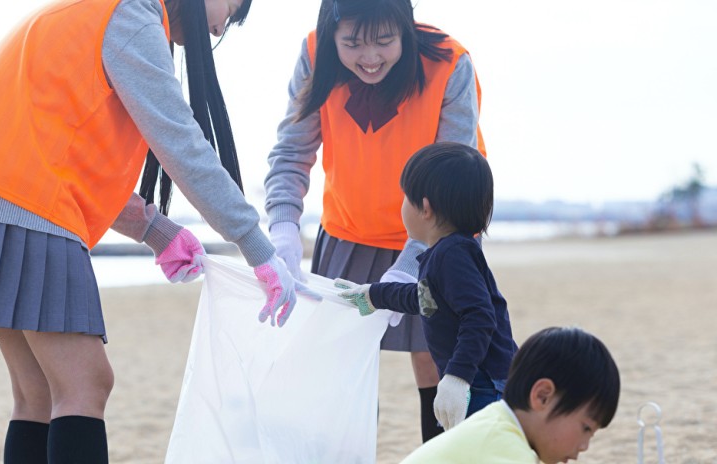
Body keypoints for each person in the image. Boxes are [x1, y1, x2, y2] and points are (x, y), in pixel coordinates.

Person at [0, 0, 301, 462]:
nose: (225, 22)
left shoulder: (98, 9)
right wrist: (258, 248)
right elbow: (180, 141)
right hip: (27, 206)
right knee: (87, 384)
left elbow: (65, 152)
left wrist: (156, 231)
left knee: (35, 395)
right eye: (231, 6)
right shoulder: (132, 14)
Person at [263, 0, 486, 442]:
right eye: (352, 43)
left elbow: (452, 180)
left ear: (406, 28)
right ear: (332, 34)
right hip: (350, 230)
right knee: (342, 358)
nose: (369, 58)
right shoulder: (314, 53)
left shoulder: (449, 63)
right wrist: (284, 227)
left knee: (434, 357)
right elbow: (291, 152)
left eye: (384, 41)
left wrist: (414, 261)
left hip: (438, 233)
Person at [337, 142, 517, 431]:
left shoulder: (452, 255)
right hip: (477, 377)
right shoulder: (447, 252)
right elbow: (425, 298)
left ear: (426, 208)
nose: (402, 205)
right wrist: (372, 295)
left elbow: (480, 316)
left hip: (484, 382)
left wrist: (457, 378)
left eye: (405, 197)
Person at [399, 326, 621, 463]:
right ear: (542, 397)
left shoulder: (497, 423)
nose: (584, 446)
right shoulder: (504, 448)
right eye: (585, 428)